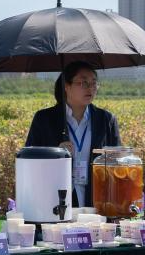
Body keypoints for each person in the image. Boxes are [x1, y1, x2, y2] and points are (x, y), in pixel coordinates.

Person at [25, 61, 121, 208]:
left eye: (94, 83)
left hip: (97, 202)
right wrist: (55, 153)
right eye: (83, 83)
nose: (90, 88)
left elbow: (117, 161)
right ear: (67, 86)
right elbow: (29, 159)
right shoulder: (44, 119)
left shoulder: (106, 119)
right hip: (54, 200)